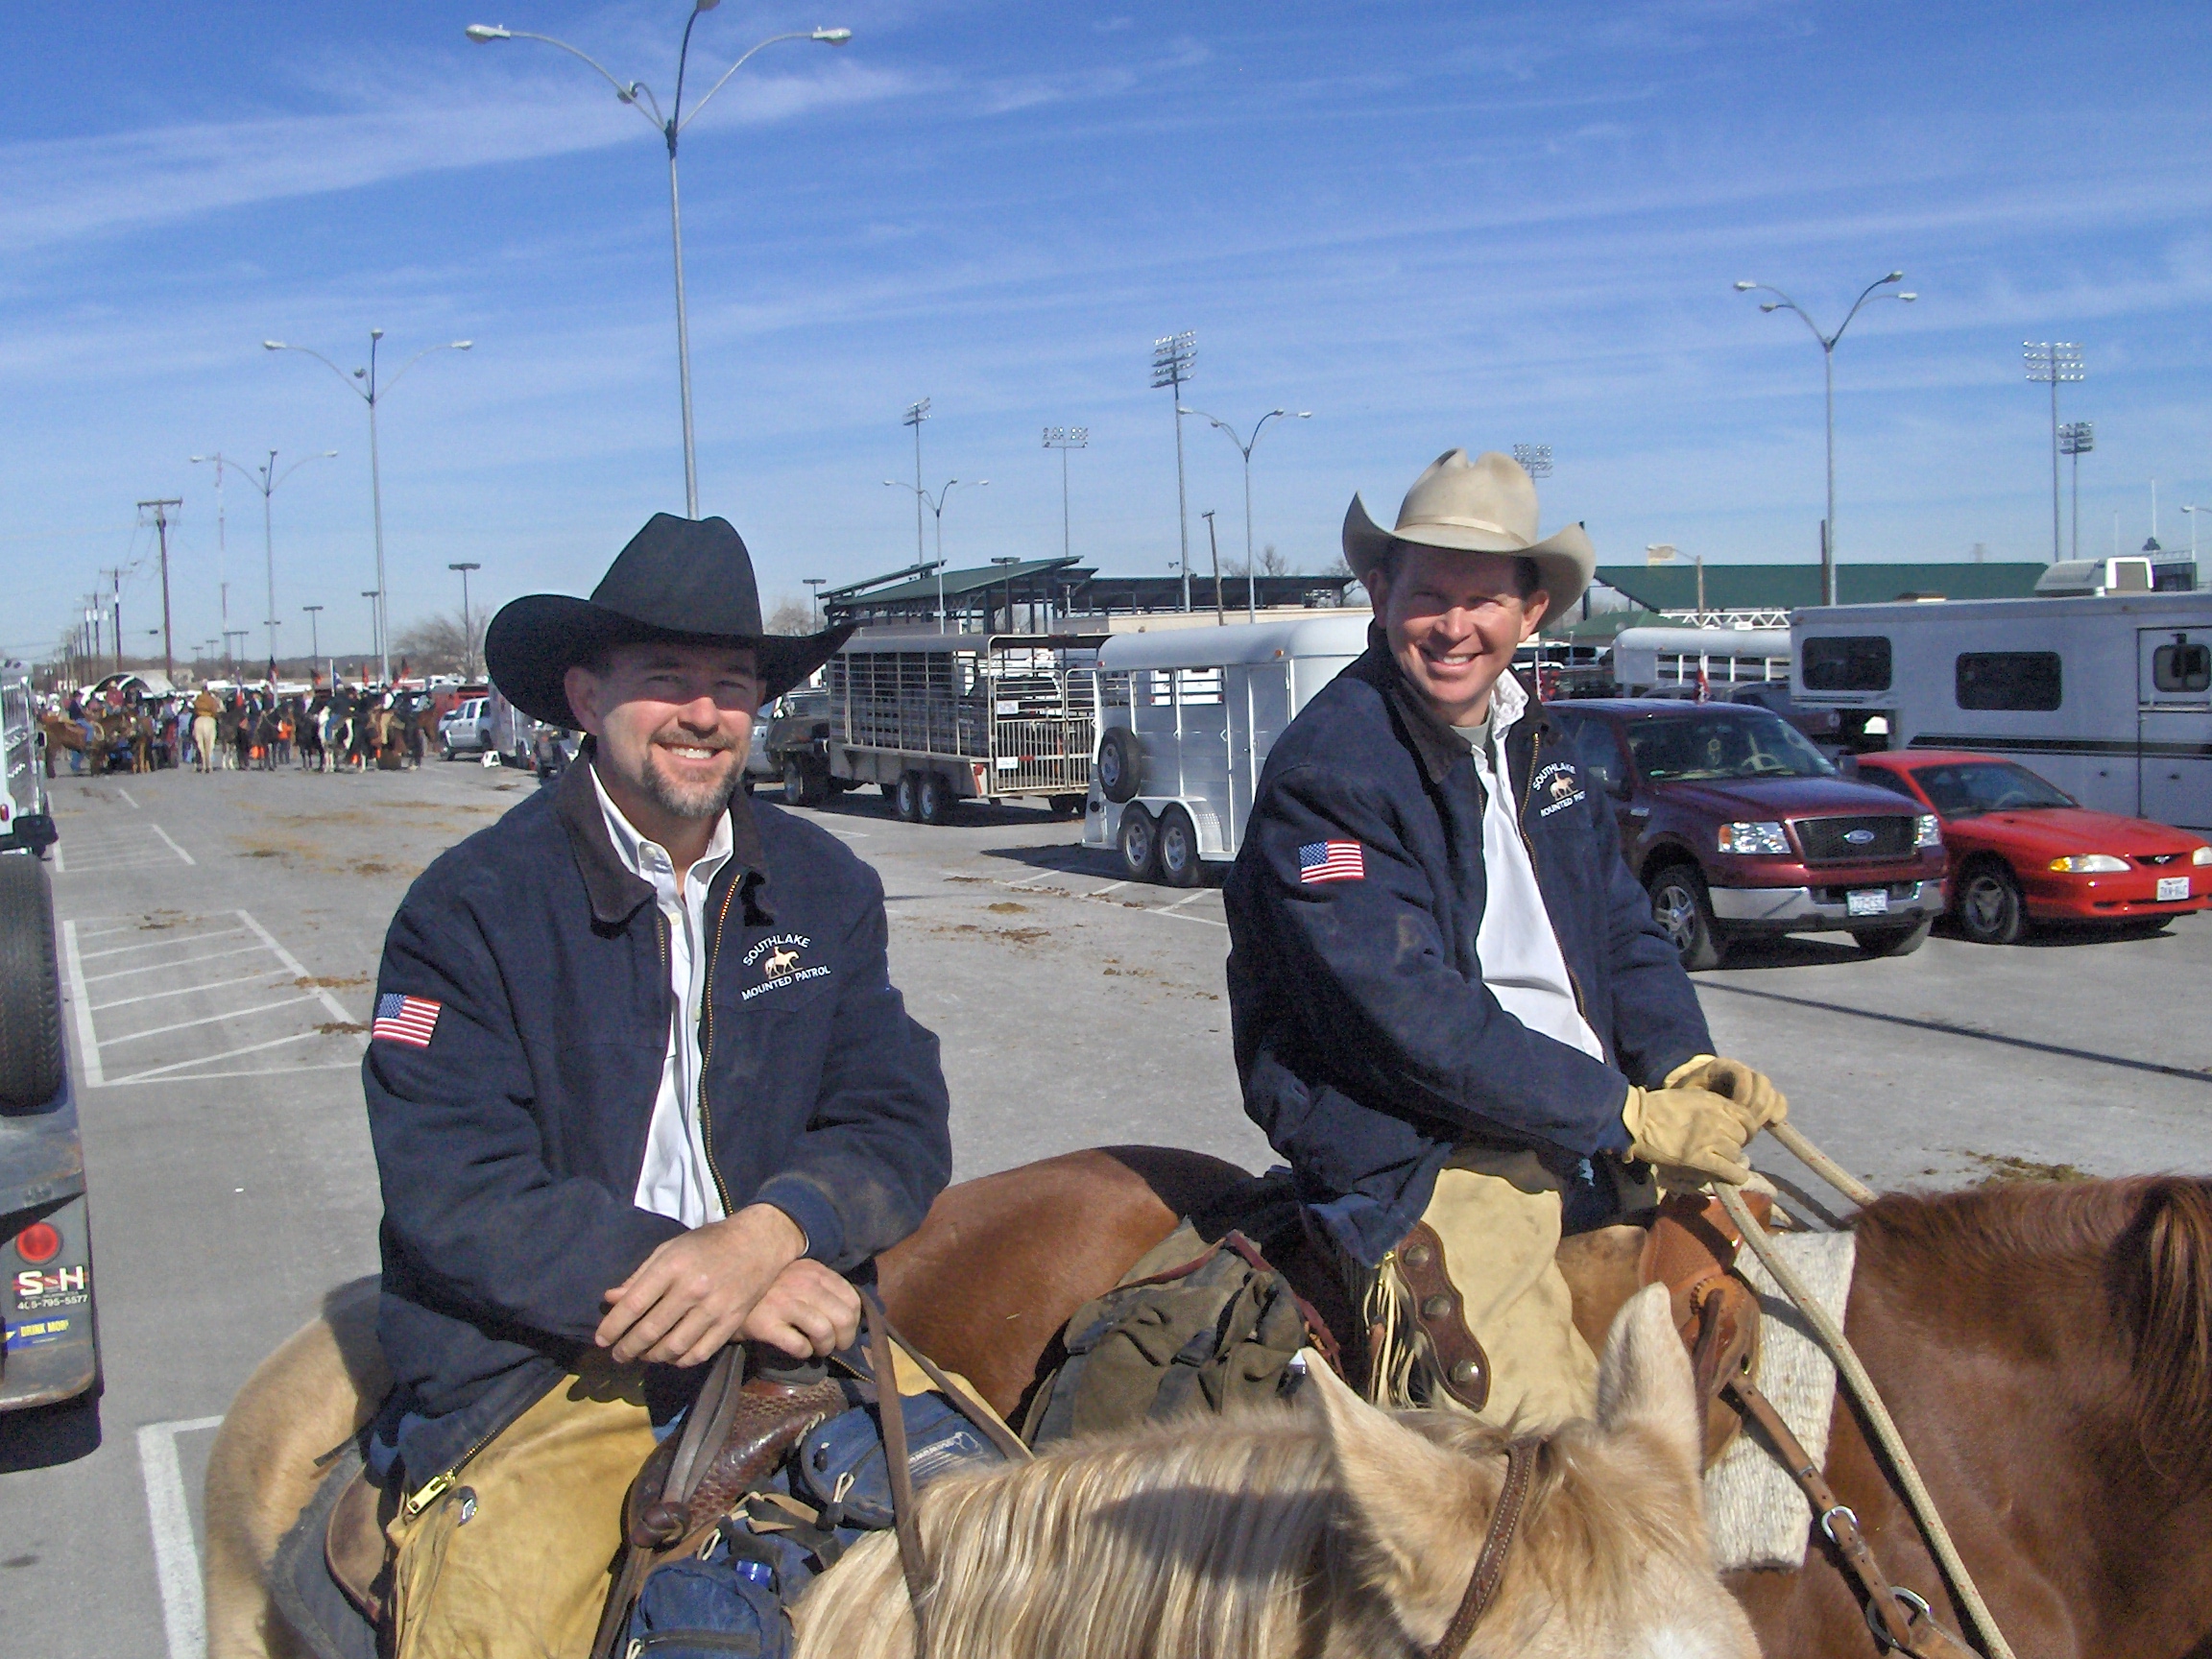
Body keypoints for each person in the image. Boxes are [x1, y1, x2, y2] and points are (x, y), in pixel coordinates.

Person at [363, 514, 951, 1657]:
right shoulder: (468, 909)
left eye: (733, 685)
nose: (705, 714)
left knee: (1011, 1551)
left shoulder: (826, 886)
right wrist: (692, 1275)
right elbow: (454, 1184)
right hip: (547, 1361)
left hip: (795, 1315)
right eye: (667, 680)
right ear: (586, 699)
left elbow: (897, 1113)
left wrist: (774, 1233)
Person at [1223, 448, 1786, 1431]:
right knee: (1550, 1458)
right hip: (1427, 1150)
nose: (1454, 626)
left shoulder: (1538, 744)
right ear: (1380, 591)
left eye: (1484, 601)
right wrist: (1626, 1112)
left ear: (1530, 615)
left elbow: (1620, 928)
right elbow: (1405, 1019)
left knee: (1779, 1332)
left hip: (1581, 1119)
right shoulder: (1332, 772)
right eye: (1429, 594)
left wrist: (1683, 1062)